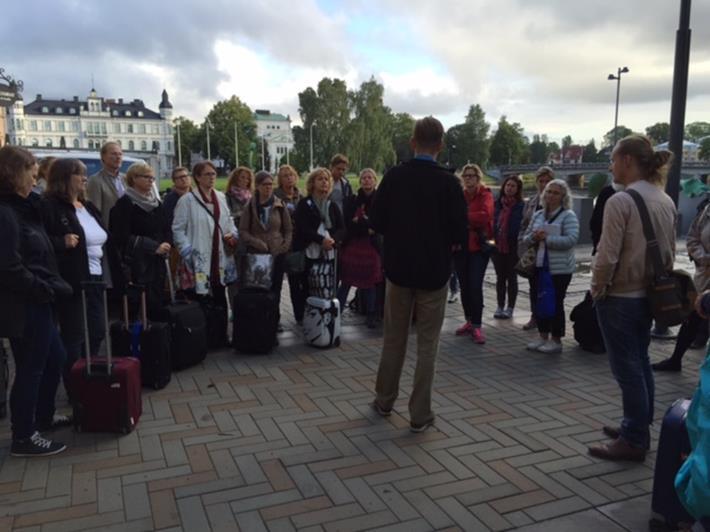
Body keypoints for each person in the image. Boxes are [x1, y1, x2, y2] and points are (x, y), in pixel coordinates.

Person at [371, 116, 467, 433]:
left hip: (398, 270)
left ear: (413, 142)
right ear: (440, 145)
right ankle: (420, 414)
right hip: (435, 273)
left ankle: (384, 401)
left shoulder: (395, 176)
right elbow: (459, 232)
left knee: (393, 339)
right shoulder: (450, 183)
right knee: (428, 345)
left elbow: (377, 221)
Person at [589, 134, 676, 462]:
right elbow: (669, 250)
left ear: (627, 160)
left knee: (627, 369)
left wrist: (597, 288)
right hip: (649, 296)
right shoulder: (663, 199)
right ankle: (636, 423)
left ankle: (634, 438)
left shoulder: (620, 201)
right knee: (640, 363)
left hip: (621, 295)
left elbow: (607, 255)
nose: (611, 166)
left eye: (613, 159)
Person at [0, 146, 72, 457]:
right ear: (13, 173)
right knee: (30, 368)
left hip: (39, 298)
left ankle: (42, 417)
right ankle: (24, 436)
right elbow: (9, 267)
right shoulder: (6, 213)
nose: (35, 175)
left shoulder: (27, 207)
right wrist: (42, 288)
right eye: (30, 169)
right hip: (25, 304)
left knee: (54, 358)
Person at [42, 159, 108, 399]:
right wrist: (62, 242)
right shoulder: (50, 206)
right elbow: (38, 241)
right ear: (63, 178)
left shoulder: (87, 206)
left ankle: (90, 376)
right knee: (75, 336)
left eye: (84, 174)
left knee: (98, 330)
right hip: (72, 280)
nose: (84, 178)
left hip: (96, 277)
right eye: (78, 174)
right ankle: (75, 388)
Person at [172, 161, 237, 338]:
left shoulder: (221, 197)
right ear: (198, 178)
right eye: (207, 174)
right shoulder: (187, 200)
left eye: (214, 174)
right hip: (198, 255)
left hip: (219, 254)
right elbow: (177, 228)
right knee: (200, 296)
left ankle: (220, 336)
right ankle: (202, 338)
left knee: (219, 294)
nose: (211, 177)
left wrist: (232, 233)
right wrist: (187, 252)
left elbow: (228, 220)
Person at [522, 179, 579, 354]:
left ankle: (556, 339)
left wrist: (547, 239)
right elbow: (525, 238)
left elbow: (571, 239)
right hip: (538, 265)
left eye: (555, 193)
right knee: (540, 301)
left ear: (563, 197)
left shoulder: (568, 215)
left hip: (559, 269)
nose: (550, 196)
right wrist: (534, 237)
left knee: (555, 303)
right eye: (548, 191)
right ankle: (542, 336)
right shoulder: (538, 215)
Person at [652, 201, 710, 372]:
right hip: (703, 276)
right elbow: (693, 237)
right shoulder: (707, 210)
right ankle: (675, 359)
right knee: (691, 318)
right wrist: (704, 258)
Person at [109, 162, 171, 315]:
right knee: (139, 308)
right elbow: (120, 235)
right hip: (138, 264)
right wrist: (152, 246)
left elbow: (166, 227)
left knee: (156, 305)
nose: (151, 181)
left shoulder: (156, 203)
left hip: (158, 263)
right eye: (147, 177)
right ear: (134, 178)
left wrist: (166, 243)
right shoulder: (124, 204)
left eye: (153, 178)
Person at [239, 171, 293, 328]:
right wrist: (256, 242)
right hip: (258, 256)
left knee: (276, 288)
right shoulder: (250, 206)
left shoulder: (279, 204)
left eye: (270, 184)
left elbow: (288, 229)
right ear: (257, 186)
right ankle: (260, 320)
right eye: (265, 185)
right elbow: (243, 231)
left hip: (277, 254)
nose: (268, 188)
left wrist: (285, 245)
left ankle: (274, 320)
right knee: (260, 289)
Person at [293, 168, 345, 312]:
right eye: (320, 179)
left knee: (328, 282)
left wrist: (333, 240)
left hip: (330, 252)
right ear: (312, 183)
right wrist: (321, 240)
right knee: (309, 284)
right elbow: (303, 228)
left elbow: (341, 228)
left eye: (326, 179)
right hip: (310, 250)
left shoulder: (332, 205)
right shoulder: (305, 204)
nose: (324, 182)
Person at [337, 168, 383, 328]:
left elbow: (379, 225)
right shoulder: (352, 200)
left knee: (370, 282)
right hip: (353, 245)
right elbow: (349, 223)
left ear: (375, 181)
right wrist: (366, 226)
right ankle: (336, 312)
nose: (367, 180)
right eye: (364, 177)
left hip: (371, 247)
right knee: (346, 281)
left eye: (370, 177)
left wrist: (362, 223)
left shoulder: (380, 200)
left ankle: (371, 314)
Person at [453, 164, 494, 344]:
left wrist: (463, 217)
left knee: (475, 286)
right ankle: (469, 321)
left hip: (479, 248)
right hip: (461, 247)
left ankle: (477, 325)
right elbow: (451, 216)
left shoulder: (485, 194)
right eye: (466, 176)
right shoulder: (459, 195)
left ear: (478, 178)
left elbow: (485, 215)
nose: (468, 179)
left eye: (472, 176)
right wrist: (468, 218)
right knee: (464, 286)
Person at [519, 166, 554, 331]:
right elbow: (523, 225)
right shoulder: (531, 202)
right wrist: (522, 244)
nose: (544, 184)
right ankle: (535, 316)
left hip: (551, 251)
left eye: (548, 181)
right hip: (532, 249)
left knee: (548, 285)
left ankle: (548, 320)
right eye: (541, 181)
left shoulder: (559, 202)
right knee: (534, 285)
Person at [274, 164, 305, 322]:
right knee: (277, 284)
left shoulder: (300, 195)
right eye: (285, 176)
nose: (289, 178)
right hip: (280, 244)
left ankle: (300, 316)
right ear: (280, 179)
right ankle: (275, 318)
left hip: (298, 244)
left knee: (297, 283)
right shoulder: (275, 196)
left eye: (291, 175)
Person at [492, 174, 524, 319]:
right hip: (498, 247)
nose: (509, 188)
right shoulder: (497, 204)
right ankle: (499, 306)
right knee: (500, 278)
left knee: (512, 277)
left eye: (513, 186)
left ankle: (510, 308)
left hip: (513, 247)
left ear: (517, 189)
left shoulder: (521, 206)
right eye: (508, 185)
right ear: (503, 187)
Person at [87, 141, 126, 227]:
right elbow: (95, 212)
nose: (118, 157)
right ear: (103, 157)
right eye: (114, 154)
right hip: (109, 230)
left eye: (120, 154)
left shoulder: (126, 178)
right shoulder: (95, 180)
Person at [163, 166, 192, 231]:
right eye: (180, 177)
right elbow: (168, 222)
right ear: (174, 181)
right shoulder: (169, 199)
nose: (183, 179)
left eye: (185, 176)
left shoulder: (197, 195)